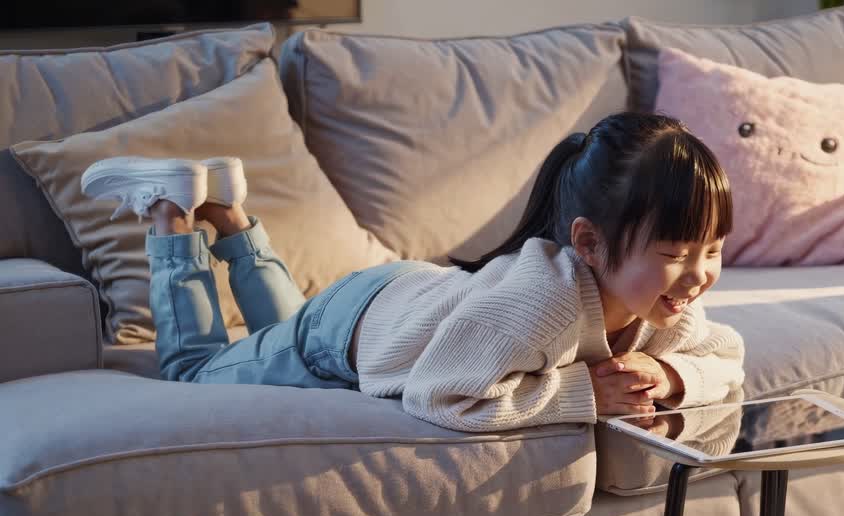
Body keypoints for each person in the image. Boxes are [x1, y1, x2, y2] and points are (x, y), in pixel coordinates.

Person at [80, 112, 745, 433]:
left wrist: (674, 373)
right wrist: (583, 396)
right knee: (196, 374)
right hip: (349, 333)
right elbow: (440, 394)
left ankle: (226, 211)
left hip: (396, 298)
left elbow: (730, 358)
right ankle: (172, 211)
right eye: (676, 253)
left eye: (712, 250)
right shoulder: (543, 305)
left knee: (281, 332)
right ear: (590, 244)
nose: (698, 275)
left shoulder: (657, 301)